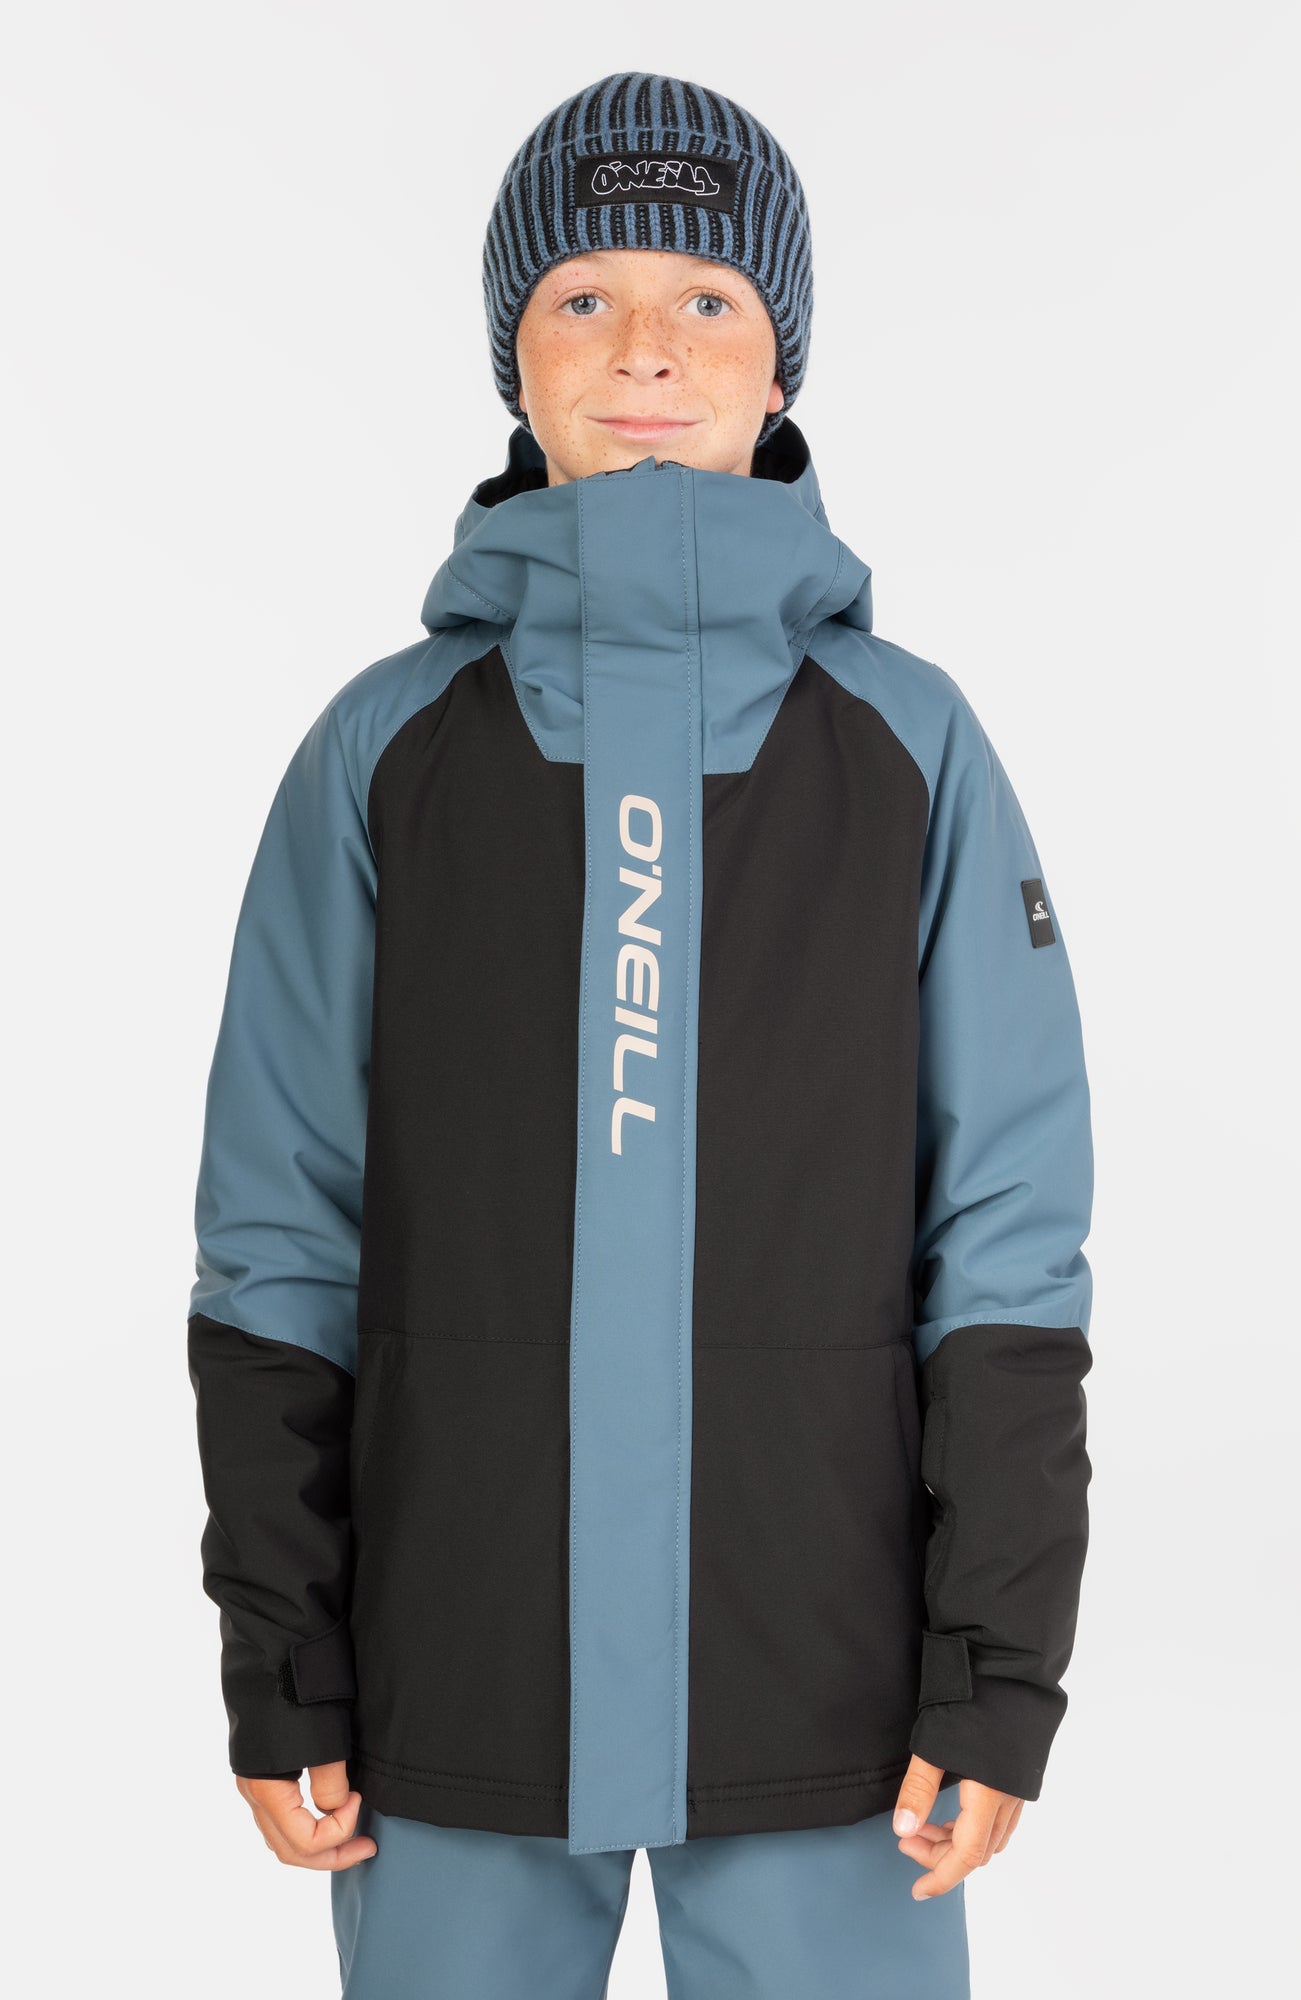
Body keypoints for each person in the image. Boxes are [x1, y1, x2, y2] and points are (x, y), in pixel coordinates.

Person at [186, 70, 1094, 2000]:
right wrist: (283, 1654)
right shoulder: (382, 750)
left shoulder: (910, 743)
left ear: (781, 361)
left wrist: (995, 1669)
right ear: (512, 361)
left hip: (831, 1698)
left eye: (707, 299)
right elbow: (278, 1230)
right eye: (582, 297)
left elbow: (1008, 1229)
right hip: (452, 1685)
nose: (647, 348)